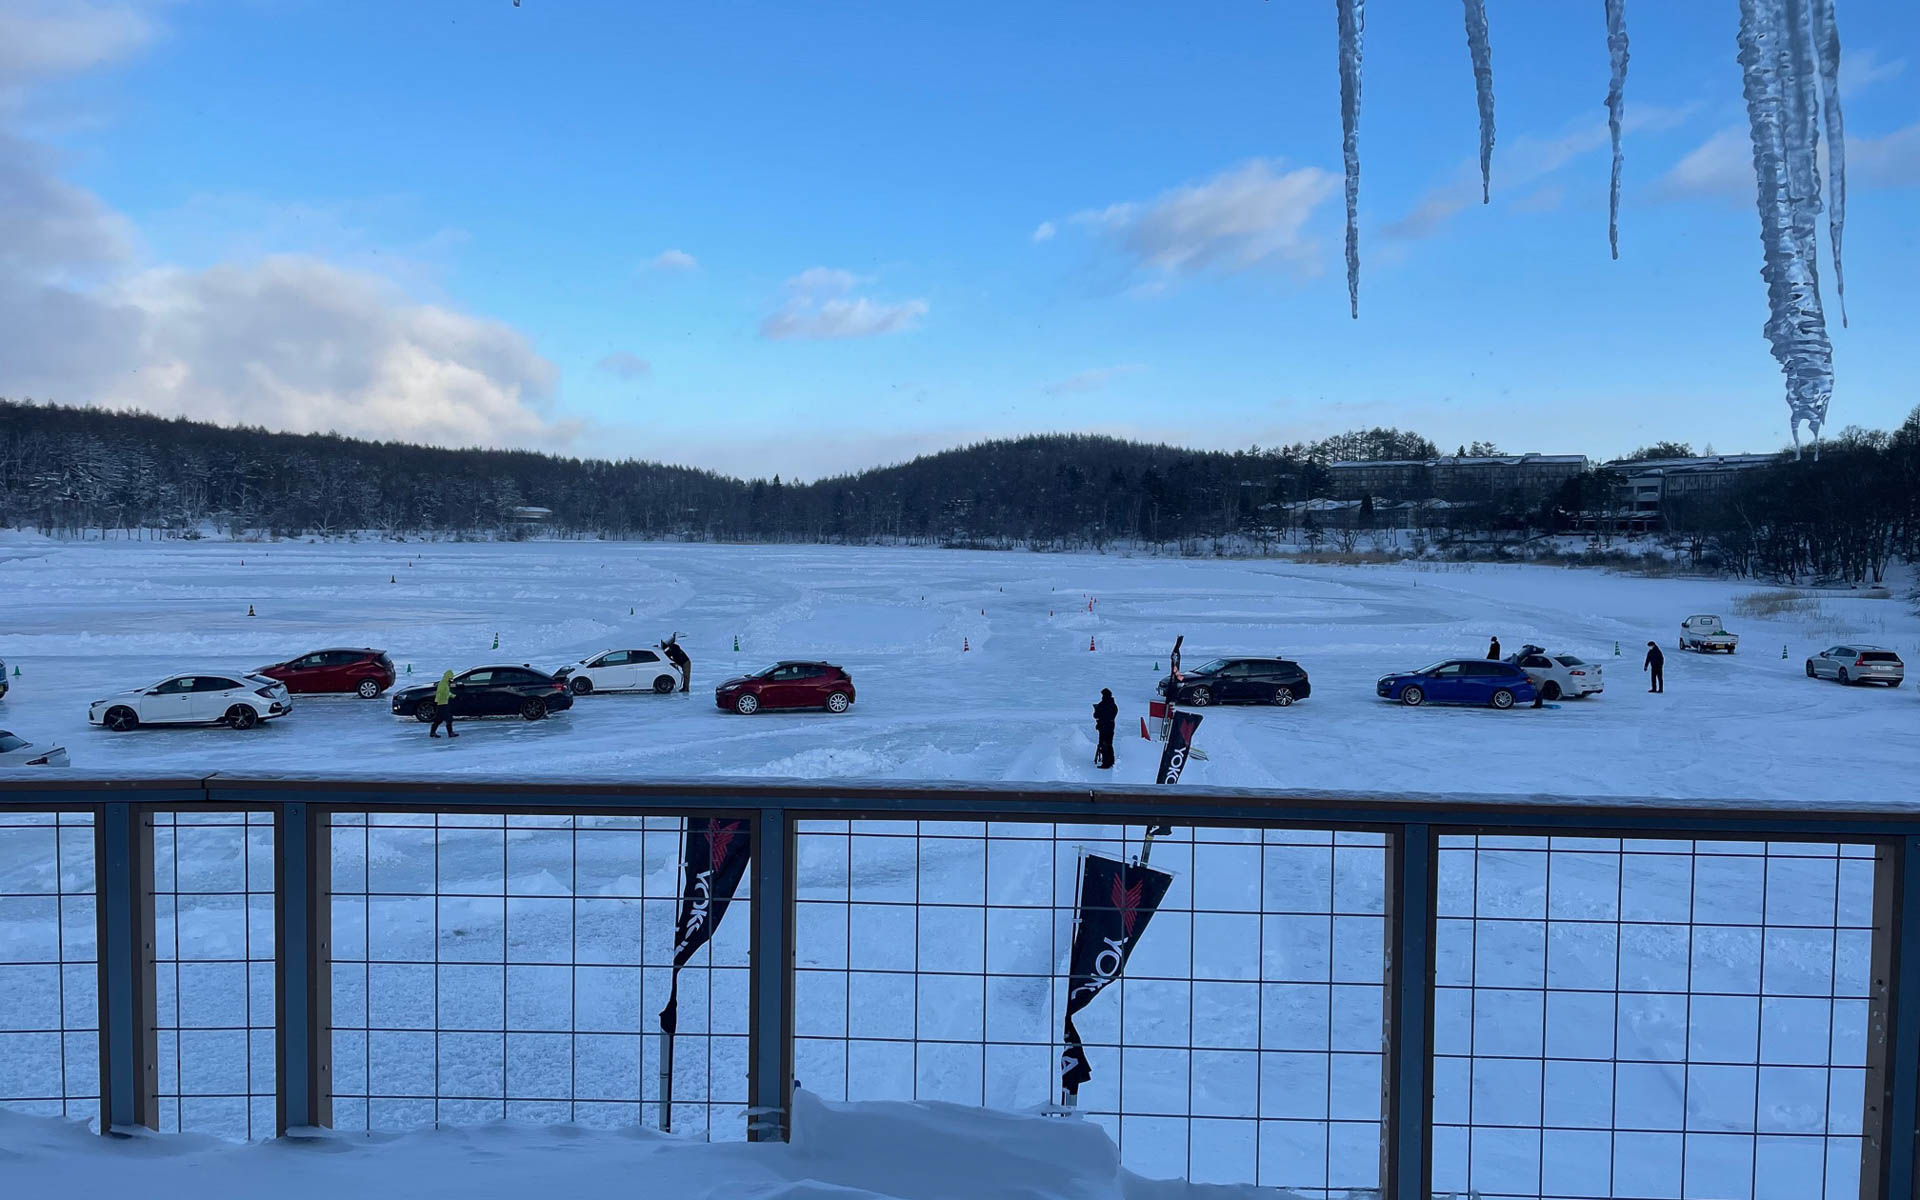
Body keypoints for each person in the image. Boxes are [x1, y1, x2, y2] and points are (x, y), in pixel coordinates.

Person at [1093, 688, 1118, 769]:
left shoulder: (1104, 704)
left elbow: (1097, 715)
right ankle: (1111, 760)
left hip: (1104, 727)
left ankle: (1106, 762)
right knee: (1109, 744)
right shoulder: (1113, 704)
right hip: (1110, 727)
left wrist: (1096, 710)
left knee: (1104, 744)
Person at [430, 670, 458, 738]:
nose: (451, 680)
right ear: (447, 677)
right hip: (443, 703)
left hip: (442, 703)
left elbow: (445, 692)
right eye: (450, 678)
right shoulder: (443, 684)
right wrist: (451, 695)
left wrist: (451, 695)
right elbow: (442, 693)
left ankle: (432, 732)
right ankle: (450, 733)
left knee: (439, 719)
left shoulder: (445, 683)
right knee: (448, 718)